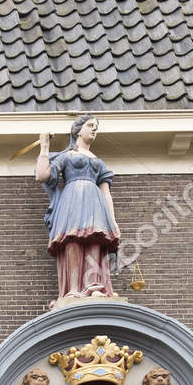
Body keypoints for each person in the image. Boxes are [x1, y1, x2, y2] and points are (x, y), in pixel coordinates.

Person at [35, 113, 119, 305]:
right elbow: (41, 175)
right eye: (90, 125)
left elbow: (106, 193)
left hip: (95, 202)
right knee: (72, 239)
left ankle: (94, 286)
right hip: (72, 200)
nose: (94, 129)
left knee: (96, 239)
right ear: (78, 130)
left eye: (96, 126)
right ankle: (73, 289)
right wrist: (45, 146)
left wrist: (113, 221)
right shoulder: (67, 156)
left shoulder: (99, 162)